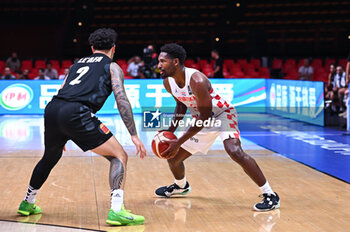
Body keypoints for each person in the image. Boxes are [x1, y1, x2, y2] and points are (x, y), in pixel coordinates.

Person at [17, 28, 146, 226]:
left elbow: (62, 90)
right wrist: (134, 135)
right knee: (119, 156)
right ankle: (117, 210)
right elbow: (122, 99)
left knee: (50, 156)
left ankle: (27, 202)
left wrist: (62, 131)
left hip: (53, 109)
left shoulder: (76, 65)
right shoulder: (112, 66)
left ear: (92, 48)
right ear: (113, 48)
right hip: (76, 112)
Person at [155, 43, 280, 211]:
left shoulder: (196, 80)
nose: (158, 65)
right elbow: (181, 105)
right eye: (159, 61)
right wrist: (170, 131)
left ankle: (270, 195)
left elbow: (206, 117)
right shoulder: (168, 82)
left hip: (221, 114)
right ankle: (181, 186)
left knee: (234, 151)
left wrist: (178, 141)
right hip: (201, 119)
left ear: (175, 62)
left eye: (162, 61)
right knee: (173, 158)